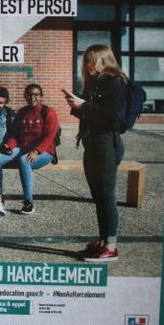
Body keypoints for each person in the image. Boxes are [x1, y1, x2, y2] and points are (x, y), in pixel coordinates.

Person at [64, 44, 127, 262]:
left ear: (104, 60)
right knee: (98, 195)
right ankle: (102, 242)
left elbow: (111, 117)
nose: (89, 65)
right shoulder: (94, 83)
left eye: (94, 60)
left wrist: (83, 105)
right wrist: (76, 105)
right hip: (92, 142)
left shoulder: (114, 82)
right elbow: (91, 114)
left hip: (106, 143)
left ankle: (111, 246)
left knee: (106, 194)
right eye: (87, 61)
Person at [0, 83, 59, 215]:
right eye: (29, 94)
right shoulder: (22, 112)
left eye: (36, 95)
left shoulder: (48, 112)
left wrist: (36, 151)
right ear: (25, 96)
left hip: (44, 151)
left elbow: (50, 136)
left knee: (24, 160)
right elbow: (15, 134)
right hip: (23, 148)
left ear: (41, 96)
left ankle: (28, 202)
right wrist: (9, 146)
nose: (33, 97)